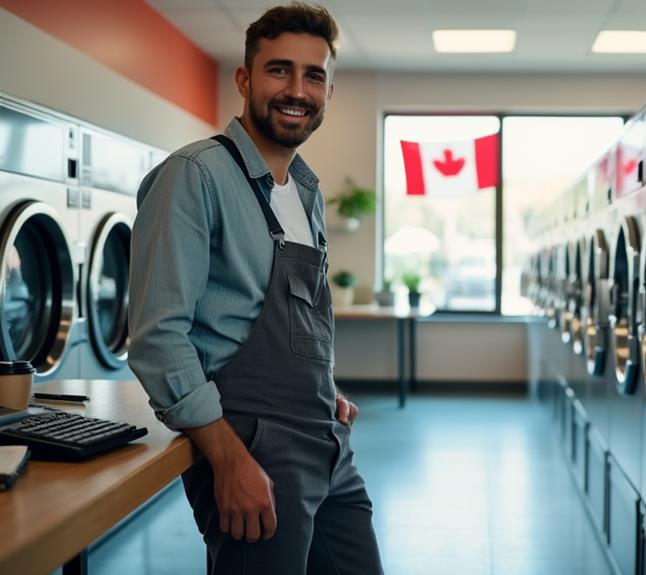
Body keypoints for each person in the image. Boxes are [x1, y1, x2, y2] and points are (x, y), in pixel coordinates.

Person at [127, 3, 383, 574]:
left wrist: (319, 386)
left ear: (329, 93)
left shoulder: (305, 190)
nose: (297, 89)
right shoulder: (194, 177)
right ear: (244, 79)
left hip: (326, 440)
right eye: (279, 70)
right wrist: (225, 457)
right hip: (251, 449)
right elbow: (157, 337)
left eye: (314, 75)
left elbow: (294, 314)